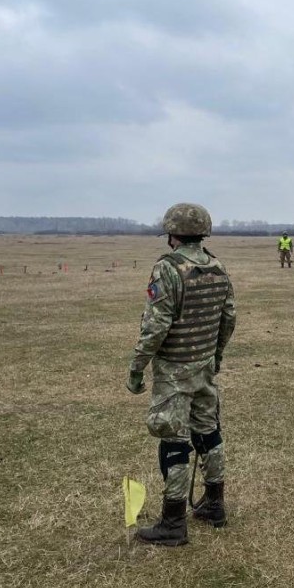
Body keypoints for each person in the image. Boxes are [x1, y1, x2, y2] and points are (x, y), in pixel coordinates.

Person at [126, 203, 237, 547]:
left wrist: (136, 366)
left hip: (174, 370)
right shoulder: (217, 266)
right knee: (208, 433)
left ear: (172, 233)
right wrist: (214, 356)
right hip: (203, 365)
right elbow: (228, 318)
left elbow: (156, 325)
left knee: (173, 441)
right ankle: (214, 505)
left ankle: (173, 521)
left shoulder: (167, 269)